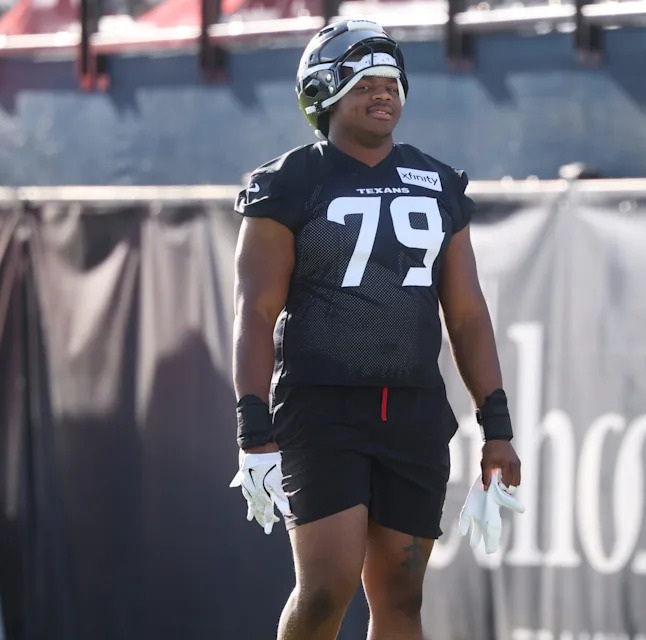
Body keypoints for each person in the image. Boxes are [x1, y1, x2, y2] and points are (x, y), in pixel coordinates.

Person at [229, 19, 525, 640]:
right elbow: (256, 310)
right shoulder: (287, 185)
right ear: (324, 93)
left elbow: (467, 312)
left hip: (413, 411)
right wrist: (252, 424)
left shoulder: (439, 183)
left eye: (391, 80)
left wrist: (496, 426)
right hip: (322, 407)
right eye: (364, 80)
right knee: (326, 588)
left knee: (402, 596)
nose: (383, 92)